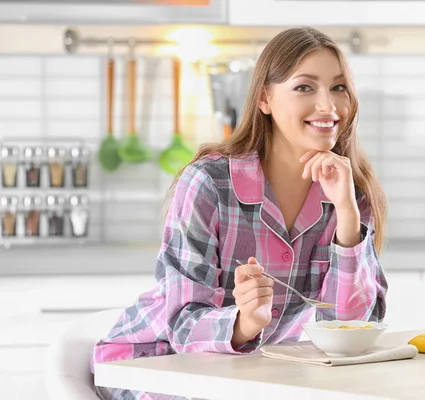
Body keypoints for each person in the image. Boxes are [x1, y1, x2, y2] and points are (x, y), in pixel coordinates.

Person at [92, 26, 388, 400]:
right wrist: (245, 323)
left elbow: (351, 329)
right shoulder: (210, 183)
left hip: (242, 376)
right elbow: (182, 324)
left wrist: (346, 215)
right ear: (264, 98)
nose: (328, 105)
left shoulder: (348, 193)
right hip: (149, 365)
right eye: (304, 87)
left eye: (339, 87)